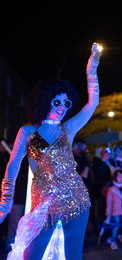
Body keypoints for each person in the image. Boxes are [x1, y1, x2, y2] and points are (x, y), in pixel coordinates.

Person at [0, 42, 102, 259]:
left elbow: (92, 104)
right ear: (45, 101)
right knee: (31, 255)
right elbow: (13, 166)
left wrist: (91, 69)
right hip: (43, 206)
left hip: (76, 200)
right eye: (57, 101)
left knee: (73, 255)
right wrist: (5, 202)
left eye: (66, 104)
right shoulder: (28, 132)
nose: (62, 107)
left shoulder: (68, 129)